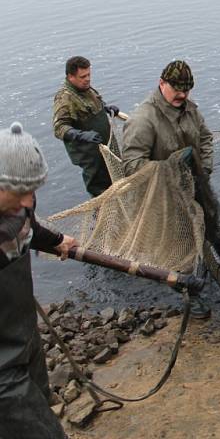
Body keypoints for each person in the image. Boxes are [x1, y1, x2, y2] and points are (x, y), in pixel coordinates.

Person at [0, 122, 78, 439]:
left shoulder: (20, 207)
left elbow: (30, 225)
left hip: (25, 340)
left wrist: (57, 240)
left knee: (40, 403)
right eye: (20, 193)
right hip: (3, 371)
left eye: (33, 191)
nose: (28, 201)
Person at [122, 60, 214, 319]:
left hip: (193, 190)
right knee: (172, 251)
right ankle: (187, 295)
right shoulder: (143, 119)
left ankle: (198, 273)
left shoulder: (190, 110)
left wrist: (204, 169)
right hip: (160, 199)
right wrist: (172, 166)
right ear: (162, 83)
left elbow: (206, 138)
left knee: (198, 238)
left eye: (187, 90)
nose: (182, 95)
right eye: (176, 89)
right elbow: (131, 167)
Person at [52, 56, 119, 196]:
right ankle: (101, 215)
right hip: (91, 155)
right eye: (83, 76)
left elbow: (93, 104)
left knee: (117, 182)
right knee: (100, 191)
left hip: (106, 148)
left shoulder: (86, 88)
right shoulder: (65, 98)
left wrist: (106, 107)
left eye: (89, 74)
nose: (87, 79)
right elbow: (59, 128)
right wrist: (82, 135)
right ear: (71, 77)